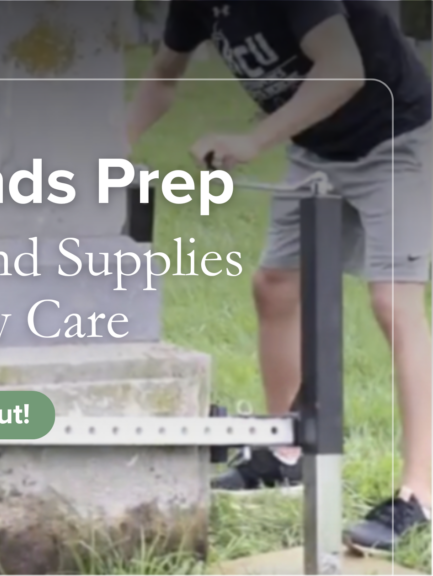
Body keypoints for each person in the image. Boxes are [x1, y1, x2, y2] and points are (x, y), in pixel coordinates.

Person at [127, 0, 431, 556]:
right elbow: (162, 78)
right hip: (317, 148)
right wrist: (101, 149)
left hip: (396, 136)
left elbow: (344, 69)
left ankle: (422, 493)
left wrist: (252, 140)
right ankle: (285, 455)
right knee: (275, 285)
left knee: (393, 302)